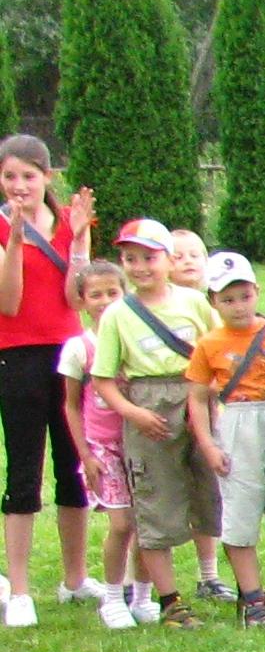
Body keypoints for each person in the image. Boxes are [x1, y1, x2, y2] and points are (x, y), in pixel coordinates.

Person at [89, 218, 220, 631]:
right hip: (147, 404)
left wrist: (209, 402)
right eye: (131, 259)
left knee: (210, 493)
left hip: (195, 396)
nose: (140, 267)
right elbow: (103, 378)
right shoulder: (117, 315)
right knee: (154, 500)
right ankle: (170, 600)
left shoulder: (194, 303)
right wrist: (134, 413)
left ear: (168, 260)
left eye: (149, 257)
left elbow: (217, 352)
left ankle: (232, 584)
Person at [0, 134, 93, 627]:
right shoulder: (1, 226)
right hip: (16, 357)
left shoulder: (68, 221)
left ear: (47, 177)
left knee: (74, 467)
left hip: (69, 355)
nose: (19, 186)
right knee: (24, 471)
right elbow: (9, 302)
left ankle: (75, 579)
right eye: (9, 176)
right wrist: (15, 241)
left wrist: (77, 240)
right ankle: (19, 590)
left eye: (29, 176)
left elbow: (77, 299)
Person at [184, 253, 265, 625]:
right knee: (240, 513)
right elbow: (197, 397)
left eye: (244, 296)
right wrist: (208, 444)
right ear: (213, 301)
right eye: (227, 299)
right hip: (238, 421)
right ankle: (253, 598)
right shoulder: (209, 344)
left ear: (257, 292)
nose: (238, 306)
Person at [56, 259, 135, 623]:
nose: (104, 301)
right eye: (95, 295)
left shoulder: (133, 340)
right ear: (82, 300)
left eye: (112, 293)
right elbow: (71, 405)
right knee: (121, 524)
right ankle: (114, 597)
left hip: (140, 441)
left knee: (145, 524)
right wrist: (85, 455)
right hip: (104, 447)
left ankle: (142, 595)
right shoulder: (79, 348)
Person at [162, 227, 231, 606]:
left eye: (195, 255)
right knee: (162, 492)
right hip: (164, 400)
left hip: (204, 403)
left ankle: (209, 575)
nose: (188, 261)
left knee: (208, 489)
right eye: (178, 255)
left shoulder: (211, 308)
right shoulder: (154, 304)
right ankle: (145, 583)